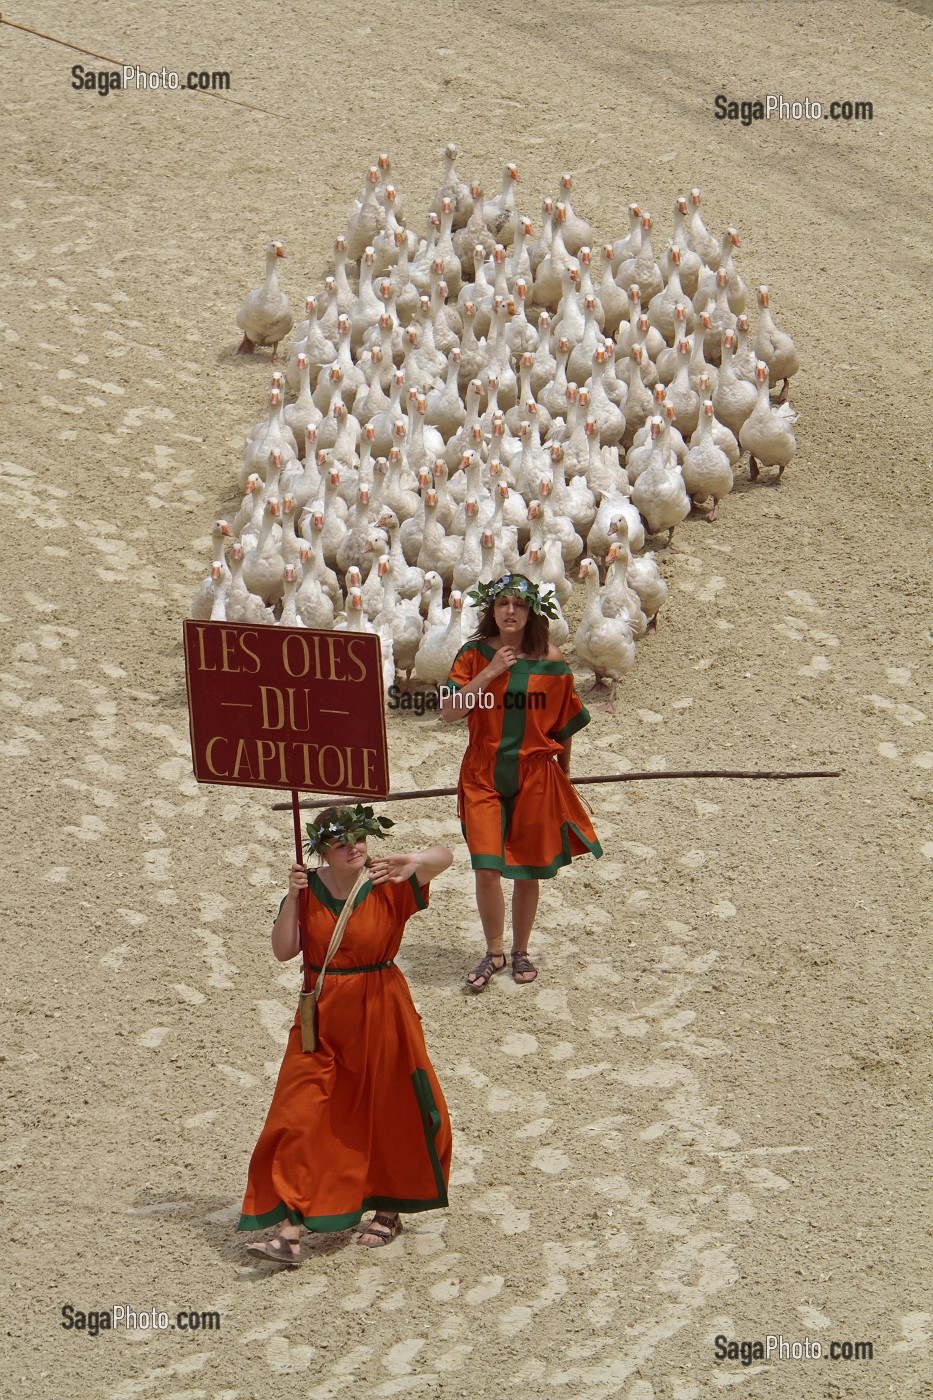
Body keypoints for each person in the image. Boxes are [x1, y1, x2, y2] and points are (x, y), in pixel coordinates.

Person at [239, 804, 453, 1261]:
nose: (354, 848)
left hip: (381, 1008)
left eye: (359, 838)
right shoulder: (307, 889)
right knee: (299, 1114)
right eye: (341, 843)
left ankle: (388, 1208)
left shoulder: (386, 879)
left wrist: (414, 859)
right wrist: (292, 897)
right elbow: (283, 950)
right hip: (322, 1017)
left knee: (390, 1107)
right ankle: (291, 1228)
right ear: (322, 850)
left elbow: (446, 855)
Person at [440, 574, 602, 991]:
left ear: (532, 612)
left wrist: (564, 775)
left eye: (519, 604)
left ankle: (520, 951)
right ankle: (494, 952)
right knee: (486, 868)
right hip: (482, 774)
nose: (510, 611)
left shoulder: (553, 661)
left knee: (528, 870)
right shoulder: (474, 654)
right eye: (502, 604)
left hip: (536, 775)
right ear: (492, 611)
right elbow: (450, 711)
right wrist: (491, 671)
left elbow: (564, 726)